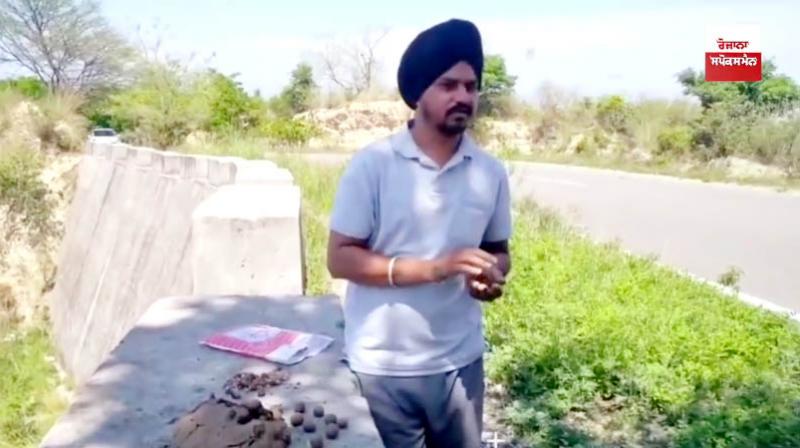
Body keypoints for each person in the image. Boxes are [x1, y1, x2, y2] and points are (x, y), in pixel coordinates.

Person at [326, 18, 512, 448]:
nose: (463, 96)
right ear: (419, 94)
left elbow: (499, 250)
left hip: (460, 363)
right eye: (449, 85)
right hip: (383, 367)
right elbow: (340, 258)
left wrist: (491, 274)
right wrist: (436, 268)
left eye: (471, 86)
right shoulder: (372, 166)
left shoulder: (489, 172)